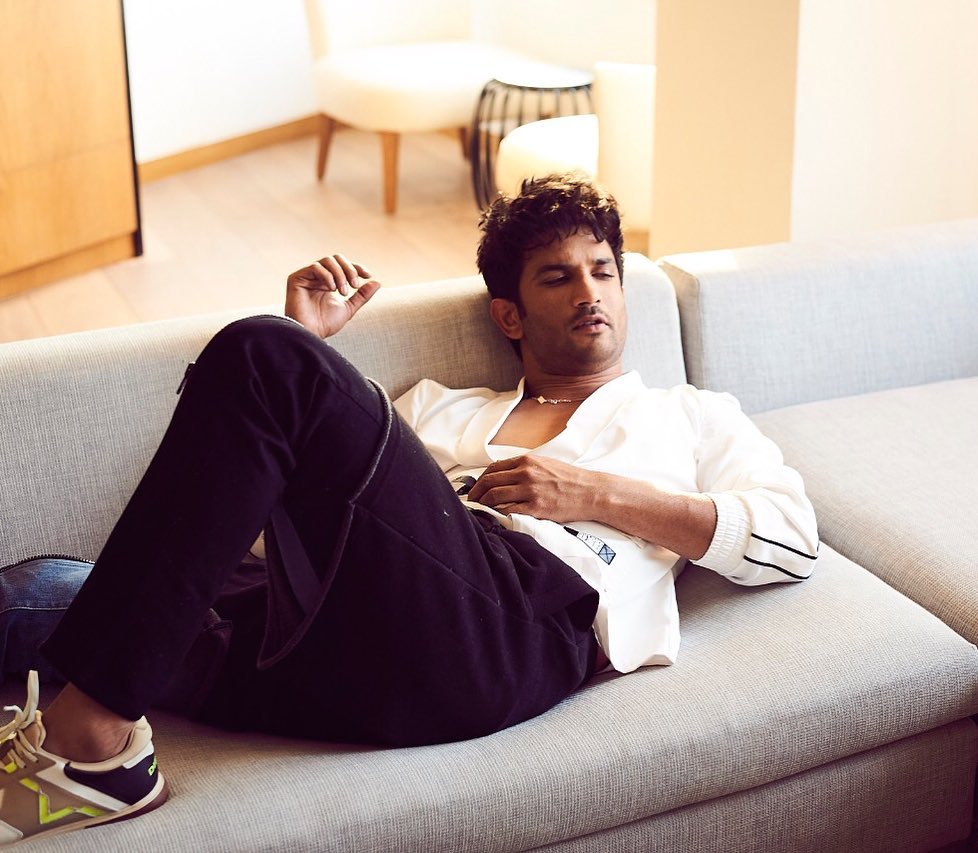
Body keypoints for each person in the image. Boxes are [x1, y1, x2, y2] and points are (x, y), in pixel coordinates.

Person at [0, 175, 818, 844]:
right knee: (32, 590)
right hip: (325, 647)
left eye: (603, 270)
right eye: (558, 275)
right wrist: (309, 346)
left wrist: (592, 493)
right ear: (509, 314)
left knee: (260, 351)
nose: (589, 290)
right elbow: (256, 533)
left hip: (502, 634)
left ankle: (94, 751)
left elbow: (791, 538)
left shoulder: (687, 414)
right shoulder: (438, 407)